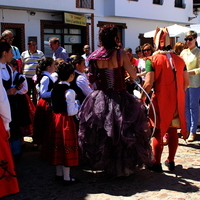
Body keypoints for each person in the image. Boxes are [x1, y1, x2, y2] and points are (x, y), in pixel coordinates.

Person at [78, 24, 152, 177]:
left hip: (101, 97)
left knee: (104, 133)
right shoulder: (120, 54)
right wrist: (133, 75)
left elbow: (92, 77)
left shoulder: (95, 55)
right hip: (120, 96)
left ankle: (106, 165)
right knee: (123, 132)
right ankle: (123, 168)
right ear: (114, 37)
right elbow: (132, 75)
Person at [140, 27, 189, 172]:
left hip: (159, 100)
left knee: (158, 131)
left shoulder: (152, 60)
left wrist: (142, 99)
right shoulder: (180, 59)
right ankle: (171, 161)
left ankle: (156, 163)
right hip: (177, 100)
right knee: (173, 131)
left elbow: (148, 83)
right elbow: (186, 83)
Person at [50, 62, 80, 184]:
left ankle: (58, 174)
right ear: (71, 75)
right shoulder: (69, 91)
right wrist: (77, 105)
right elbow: (71, 111)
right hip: (66, 121)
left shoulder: (55, 87)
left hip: (55, 119)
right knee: (66, 148)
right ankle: (67, 178)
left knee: (58, 147)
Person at [0, 41, 19, 198]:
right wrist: (6, 124)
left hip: (10, 104)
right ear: (4, 53)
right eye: (10, 52)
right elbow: (2, 99)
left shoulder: (7, 67)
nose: (13, 55)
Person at [33, 57, 56, 151]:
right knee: (44, 125)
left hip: (46, 103)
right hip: (45, 104)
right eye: (54, 65)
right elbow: (43, 93)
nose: (55, 67)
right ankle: (43, 147)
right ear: (48, 66)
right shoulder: (46, 78)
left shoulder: (46, 76)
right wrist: (56, 92)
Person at [180, 31, 200, 142]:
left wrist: (191, 72)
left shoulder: (198, 52)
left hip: (194, 83)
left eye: (190, 39)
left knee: (194, 107)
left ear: (195, 39)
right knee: (185, 107)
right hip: (184, 83)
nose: (188, 41)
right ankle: (186, 129)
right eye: (186, 39)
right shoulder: (183, 52)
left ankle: (193, 131)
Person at [21, 40, 45, 105]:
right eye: (33, 45)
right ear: (28, 46)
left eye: (35, 45)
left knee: (35, 93)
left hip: (36, 77)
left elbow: (43, 64)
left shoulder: (40, 53)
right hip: (26, 77)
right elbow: (22, 65)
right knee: (27, 93)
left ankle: (35, 106)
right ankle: (28, 106)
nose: (34, 46)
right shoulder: (24, 54)